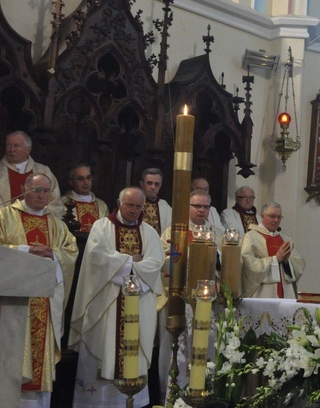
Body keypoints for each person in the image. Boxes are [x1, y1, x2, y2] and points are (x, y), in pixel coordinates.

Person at [68, 187, 163, 408]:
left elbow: (155, 263)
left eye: (139, 206)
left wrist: (123, 263)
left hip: (136, 305)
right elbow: (96, 257)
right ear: (119, 203)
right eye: (130, 205)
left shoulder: (149, 232)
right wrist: (131, 261)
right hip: (107, 305)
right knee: (102, 347)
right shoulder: (102, 227)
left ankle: (130, 402)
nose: (134, 210)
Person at [0, 173, 78, 408]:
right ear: (24, 189)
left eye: (46, 191)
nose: (42, 195)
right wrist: (25, 250)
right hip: (11, 306)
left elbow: (71, 252)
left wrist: (53, 254)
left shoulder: (56, 223)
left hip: (43, 305)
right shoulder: (5, 216)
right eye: (36, 190)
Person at [157, 190, 222, 399]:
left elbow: (228, 265)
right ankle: (172, 395)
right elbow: (164, 264)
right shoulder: (174, 232)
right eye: (197, 206)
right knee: (174, 349)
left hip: (210, 302)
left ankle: (206, 393)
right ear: (188, 207)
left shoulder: (217, 234)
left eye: (205, 207)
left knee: (208, 347)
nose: (202, 211)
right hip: (180, 301)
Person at [240, 202, 305, 298]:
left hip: (286, 292)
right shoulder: (251, 237)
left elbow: (299, 264)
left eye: (279, 217)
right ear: (262, 216)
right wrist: (275, 259)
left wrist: (287, 262)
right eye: (272, 216)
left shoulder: (286, 240)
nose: (276, 220)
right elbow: (248, 264)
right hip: (262, 293)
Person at [1, 131, 62, 217]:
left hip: (39, 222)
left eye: (16, 145)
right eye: (8, 145)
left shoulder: (43, 171)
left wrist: (36, 215)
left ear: (28, 149)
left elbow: (55, 204)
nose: (11, 149)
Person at [62, 163, 109, 232]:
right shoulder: (62, 203)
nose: (86, 182)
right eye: (81, 179)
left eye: (88, 178)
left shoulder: (101, 205)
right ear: (71, 182)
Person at [139, 167, 172, 235]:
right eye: (149, 183)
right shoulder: (133, 203)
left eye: (156, 184)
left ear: (160, 185)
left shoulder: (165, 207)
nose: (153, 187)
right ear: (141, 184)